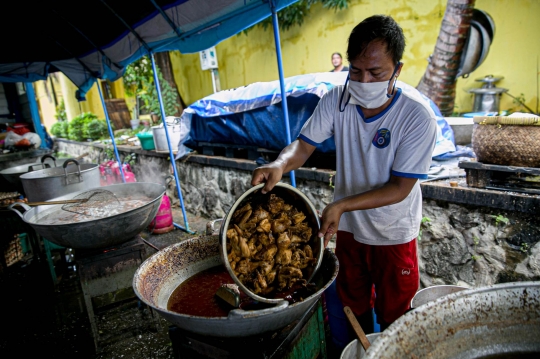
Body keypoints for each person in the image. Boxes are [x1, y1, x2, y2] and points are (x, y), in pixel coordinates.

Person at [251, 14, 438, 337]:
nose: (364, 82)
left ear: (397, 69)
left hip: (393, 233)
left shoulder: (416, 117)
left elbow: (399, 188)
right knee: (352, 309)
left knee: (398, 318)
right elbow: (303, 146)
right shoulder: (336, 101)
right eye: (356, 70)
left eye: (376, 72)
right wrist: (280, 164)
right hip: (350, 231)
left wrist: (340, 206)